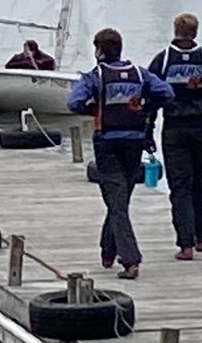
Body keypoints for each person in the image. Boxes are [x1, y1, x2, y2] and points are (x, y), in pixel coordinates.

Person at [68, 28, 173, 279]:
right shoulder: (139, 73)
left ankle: (130, 260)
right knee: (120, 199)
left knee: (117, 202)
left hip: (107, 143)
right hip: (135, 142)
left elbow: (73, 102)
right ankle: (107, 251)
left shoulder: (96, 76)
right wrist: (147, 106)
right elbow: (167, 93)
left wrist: (92, 108)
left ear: (99, 50)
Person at [148, 13, 202, 259]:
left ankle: (186, 244)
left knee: (180, 186)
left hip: (174, 129)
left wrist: (146, 133)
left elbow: (151, 98)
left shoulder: (163, 60)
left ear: (175, 30)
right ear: (196, 32)